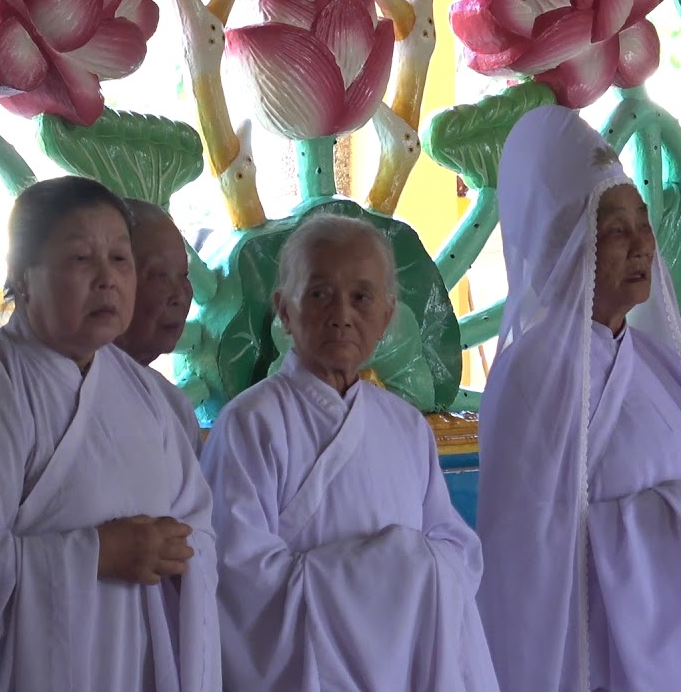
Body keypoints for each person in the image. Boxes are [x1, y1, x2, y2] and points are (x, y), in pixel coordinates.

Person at [476, 105, 681, 692]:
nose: (642, 246)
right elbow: (530, 560)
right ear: (563, 243)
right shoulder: (531, 374)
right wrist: (673, 522)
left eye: (643, 224)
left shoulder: (659, 365)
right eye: (615, 230)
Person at [200, 214, 499, 691]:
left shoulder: (406, 427)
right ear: (284, 310)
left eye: (361, 297)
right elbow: (237, 579)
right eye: (319, 294)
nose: (342, 314)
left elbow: (456, 552)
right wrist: (392, 569)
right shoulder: (249, 424)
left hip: (403, 668)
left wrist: (416, 569)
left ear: (386, 315)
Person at [0, 176, 220, 691]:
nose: (107, 280)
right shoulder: (1, 383)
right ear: (23, 277)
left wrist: (176, 551)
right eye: (80, 260)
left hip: (137, 659)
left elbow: (198, 531)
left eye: (120, 260)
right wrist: (100, 554)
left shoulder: (153, 399)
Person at [115, 198, 200, 453]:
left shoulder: (173, 405)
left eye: (184, 275)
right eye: (159, 275)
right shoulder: (41, 393)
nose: (180, 295)